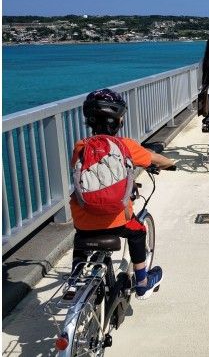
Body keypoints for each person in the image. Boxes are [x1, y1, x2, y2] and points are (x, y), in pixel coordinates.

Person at [69, 88, 175, 300]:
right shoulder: (125, 146)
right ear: (119, 122)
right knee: (137, 233)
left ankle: (74, 280)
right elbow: (152, 158)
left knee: (82, 235)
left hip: (83, 218)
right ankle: (143, 284)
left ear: (89, 121)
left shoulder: (80, 147)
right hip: (116, 219)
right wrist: (170, 164)